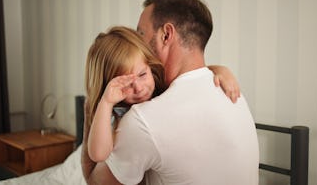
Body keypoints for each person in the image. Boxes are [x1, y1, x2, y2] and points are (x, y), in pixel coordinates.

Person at [82, 0, 259, 185]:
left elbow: (94, 180)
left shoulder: (143, 121)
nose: (137, 44)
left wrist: (93, 105)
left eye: (141, 33)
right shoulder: (232, 92)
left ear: (166, 35)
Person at [85, 26, 240, 163]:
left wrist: (219, 70)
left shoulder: (163, 88)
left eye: (142, 74)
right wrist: (105, 103)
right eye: (126, 84)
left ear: (150, 66)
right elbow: (98, 155)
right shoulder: (114, 113)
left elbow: (195, 73)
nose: (138, 88)